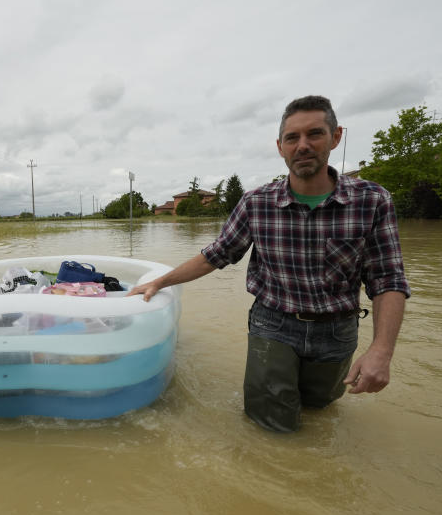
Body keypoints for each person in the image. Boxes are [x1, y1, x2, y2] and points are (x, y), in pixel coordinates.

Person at [128, 95, 410, 432]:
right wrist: (161, 282)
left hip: (337, 330)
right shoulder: (256, 203)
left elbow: (387, 279)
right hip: (273, 324)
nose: (303, 146)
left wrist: (381, 351)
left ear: (336, 137)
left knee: (320, 411)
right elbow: (216, 254)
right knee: (271, 426)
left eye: (314, 134)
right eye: (292, 138)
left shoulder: (372, 200)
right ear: (280, 146)